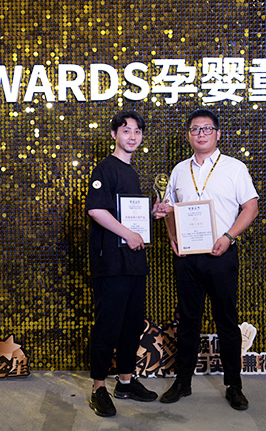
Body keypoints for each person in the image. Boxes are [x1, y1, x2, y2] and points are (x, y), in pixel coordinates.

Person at [152, 108, 259, 411]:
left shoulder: (234, 168)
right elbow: (168, 209)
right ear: (188, 136)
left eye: (207, 128)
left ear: (218, 134)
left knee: (226, 321)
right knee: (187, 321)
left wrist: (229, 237)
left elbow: (251, 207)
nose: (201, 134)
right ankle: (183, 382)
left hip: (220, 254)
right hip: (187, 258)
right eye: (195, 129)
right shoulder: (178, 170)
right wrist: (172, 236)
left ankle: (234, 386)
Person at [85, 110, 158, 417]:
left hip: (134, 262)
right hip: (111, 263)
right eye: (126, 130)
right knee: (108, 325)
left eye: (137, 131)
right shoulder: (105, 168)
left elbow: (128, 215)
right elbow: (96, 210)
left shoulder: (132, 171)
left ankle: (125, 381)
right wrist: (128, 233)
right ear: (114, 134)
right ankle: (98, 387)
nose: (132, 136)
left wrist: (153, 214)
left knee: (132, 324)